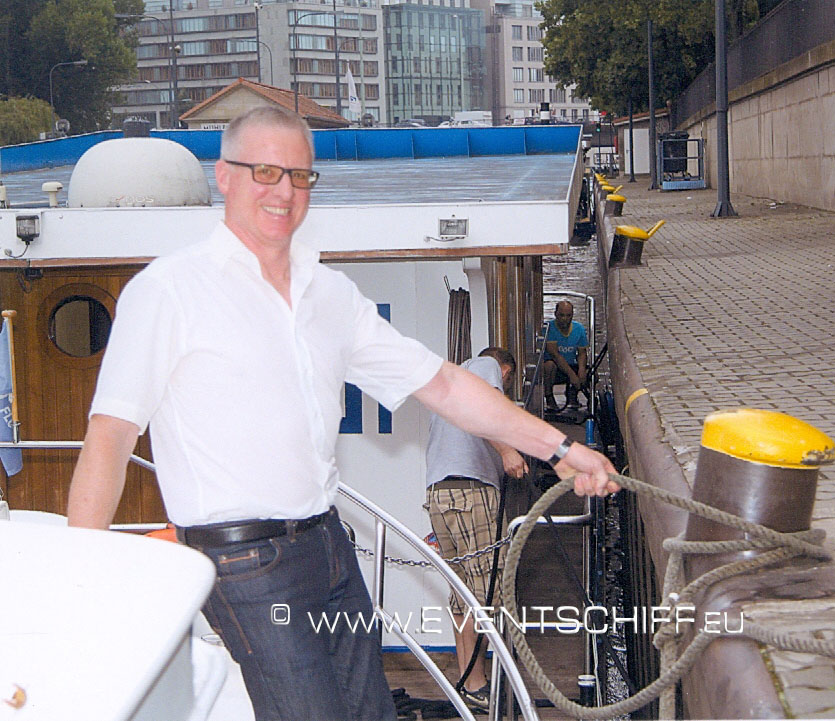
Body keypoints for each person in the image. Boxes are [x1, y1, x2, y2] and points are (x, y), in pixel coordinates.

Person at [66, 106, 617, 721]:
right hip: (243, 562)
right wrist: (86, 581)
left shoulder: (329, 294)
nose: (284, 192)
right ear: (224, 176)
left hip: (327, 543)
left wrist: (561, 450)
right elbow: (110, 437)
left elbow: (444, 386)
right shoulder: (167, 292)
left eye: (300, 176)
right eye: (265, 172)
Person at [424, 347, 527, 711]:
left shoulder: (450, 379)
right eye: (508, 380)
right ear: (506, 369)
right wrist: (506, 451)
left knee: (462, 593)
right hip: (471, 492)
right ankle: (487, 681)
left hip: (440, 493)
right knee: (488, 590)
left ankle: (472, 683)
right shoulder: (483, 367)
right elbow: (480, 408)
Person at [542, 300, 588, 411]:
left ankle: (572, 394)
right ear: (555, 314)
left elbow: (582, 353)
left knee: (591, 374)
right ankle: (549, 398)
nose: (565, 319)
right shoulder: (549, 328)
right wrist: (572, 376)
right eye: (561, 315)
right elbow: (555, 355)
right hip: (555, 368)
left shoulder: (579, 329)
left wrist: (581, 371)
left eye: (568, 316)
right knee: (549, 366)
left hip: (571, 364)